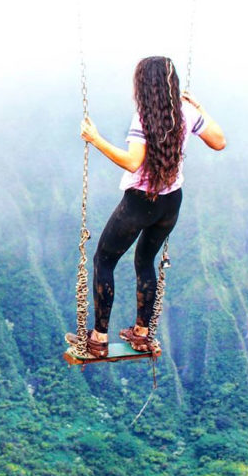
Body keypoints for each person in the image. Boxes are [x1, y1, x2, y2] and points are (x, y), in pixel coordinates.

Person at [69, 56, 226, 358]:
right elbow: (219, 141)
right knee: (145, 261)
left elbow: (132, 162)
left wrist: (95, 139)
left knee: (104, 260)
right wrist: (200, 108)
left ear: (142, 85)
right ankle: (141, 334)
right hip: (171, 202)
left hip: (140, 202)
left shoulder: (143, 118)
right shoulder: (186, 112)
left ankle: (98, 338)